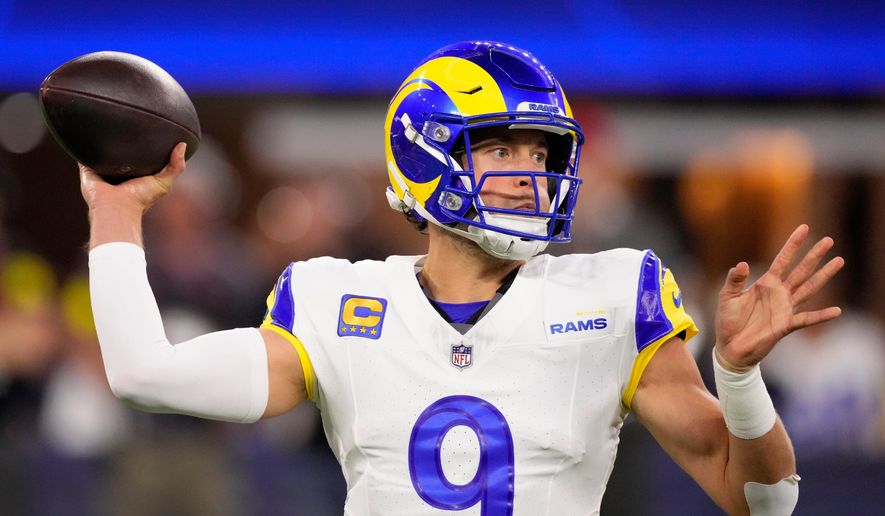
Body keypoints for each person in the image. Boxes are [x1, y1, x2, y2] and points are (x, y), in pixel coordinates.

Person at [80, 41, 844, 515]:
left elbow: (762, 501)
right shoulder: (338, 301)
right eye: (501, 150)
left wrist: (738, 379)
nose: (529, 176)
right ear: (425, 156)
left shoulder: (612, 295)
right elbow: (146, 373)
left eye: (541, 155)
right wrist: (115, 210)